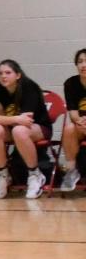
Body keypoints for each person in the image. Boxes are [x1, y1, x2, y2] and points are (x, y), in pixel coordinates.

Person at [0, 59, 51, 199]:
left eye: (8, 72)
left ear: (18, 75)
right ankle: (3, 175)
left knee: (19, 131)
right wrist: (15, 118)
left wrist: (7, 119)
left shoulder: (29, 87)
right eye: (0, 73)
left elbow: (26, 121)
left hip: (39, 127)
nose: (3, 76)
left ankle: (35, 174)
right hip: (14, 126)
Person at [58, 48, 86, 192]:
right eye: (80, 62)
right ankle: (71, 170)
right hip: (82, 125)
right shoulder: (70, 83)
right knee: (69, 128)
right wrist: (80, 121)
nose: (83, 65)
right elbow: (73, 113)